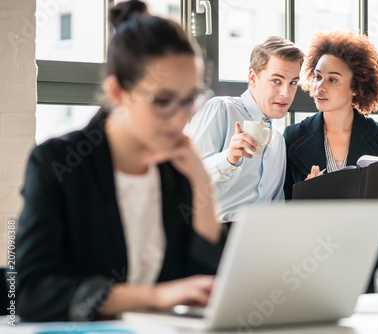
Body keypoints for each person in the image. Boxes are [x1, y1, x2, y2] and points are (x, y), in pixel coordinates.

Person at [16, 0, 225, 322]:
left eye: (189, 100)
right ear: (117, 92)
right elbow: (30, 292)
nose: (179, 119)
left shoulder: (176, 167)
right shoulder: (58, 163)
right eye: (164, 101)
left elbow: (203, 282)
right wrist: (153, 296)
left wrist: (202, 183)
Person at [283, 30, 378, 239]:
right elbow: (282, 209)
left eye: (333, 80)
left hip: (368, 255)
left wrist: (371, 222)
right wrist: (305, 199)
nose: (319, 87)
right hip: (312, 257)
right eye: (318, 77)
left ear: (355, 88)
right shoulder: (293, 137)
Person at [185, 36, 304, 224]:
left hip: (261, 239)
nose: (286, 94)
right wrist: (228, 159)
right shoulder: (221, 109)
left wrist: (307, 192)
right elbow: (186, 177)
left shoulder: (278, 140)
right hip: (214, 235)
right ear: (252, 78)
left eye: (293, 83)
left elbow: (276, 206)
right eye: (276, 81)